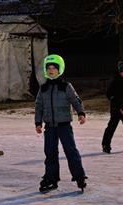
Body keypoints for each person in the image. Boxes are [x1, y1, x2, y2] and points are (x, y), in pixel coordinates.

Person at [35, 54, 87, 192]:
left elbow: (76, 100)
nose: (51, 70)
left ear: (60, 69)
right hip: (50, 127)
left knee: (71, 151)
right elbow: (39, 106)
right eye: (49, 68)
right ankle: (51, 179)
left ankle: (79, 176)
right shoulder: (43, 88)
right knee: (50, 153)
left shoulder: (66, 86)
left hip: (64, 125)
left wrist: (80, 113)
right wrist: (38, 122)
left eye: (54, 68)